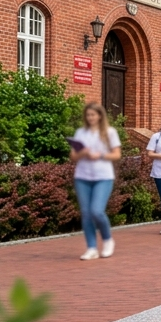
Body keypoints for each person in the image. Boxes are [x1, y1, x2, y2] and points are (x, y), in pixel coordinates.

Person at [70, 103, 121, 260]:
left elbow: (117, 155)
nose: (90, 118)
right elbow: (72, 157)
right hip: (82, 176)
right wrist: (82, 153)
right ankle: (91, 247)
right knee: (86, 213)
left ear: (100, 115)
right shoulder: (81, 132)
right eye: (88, 115)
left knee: (96, 211)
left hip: (103, 176)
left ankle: (107, 240)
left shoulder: (109, 132)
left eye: (93, 115)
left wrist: (100, 155)